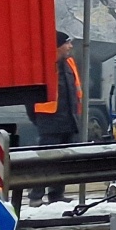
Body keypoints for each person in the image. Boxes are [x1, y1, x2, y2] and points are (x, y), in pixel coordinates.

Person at [25, 31, 82, 206]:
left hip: (69, 119)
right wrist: (39, 119)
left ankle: (57, 194)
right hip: (49, 120)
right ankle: (36, 196)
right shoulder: (44, 65)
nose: (70, 46)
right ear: (57, 45)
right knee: (45, 161)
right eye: (67, 43)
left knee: (63, 160)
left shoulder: (69, 62)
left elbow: (75, 91)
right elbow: (31, 97)